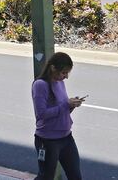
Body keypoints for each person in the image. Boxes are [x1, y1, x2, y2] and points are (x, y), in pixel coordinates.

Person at [31, 52, 84, 180]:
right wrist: (66, 104)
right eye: (63, 73)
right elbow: (42, 114)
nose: (66, 77)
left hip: (66, 137)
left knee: (75, 175)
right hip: (48, 141)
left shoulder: (60, 82)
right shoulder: (40, 85)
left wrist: (71, 105)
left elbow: (61, 111)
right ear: (53, 68)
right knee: (46, 176)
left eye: (67, 73)